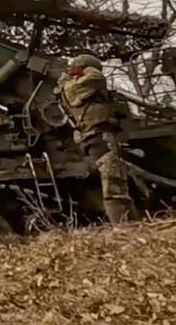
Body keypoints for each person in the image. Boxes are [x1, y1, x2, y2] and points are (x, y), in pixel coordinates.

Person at [56, 53, 138, 224]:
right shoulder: (77, 86)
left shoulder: (72, 86)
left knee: (118, 183)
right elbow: (97, 76)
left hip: (95, 138)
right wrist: (82, 67)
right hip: (99, 139)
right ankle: (123, 228)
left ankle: (132, 224)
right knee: (114, 187)